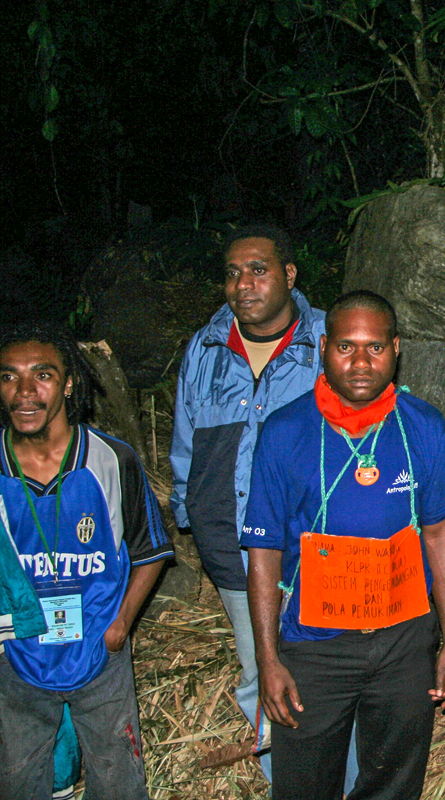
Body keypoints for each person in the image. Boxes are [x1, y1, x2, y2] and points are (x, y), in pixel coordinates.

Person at [243, 290, 445, 800]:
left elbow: (439, 534)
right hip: (314, 647)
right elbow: (263, 553)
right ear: (323, 348)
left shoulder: (424, 427)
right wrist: (268, 660)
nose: (361, 362)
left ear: (396, 349)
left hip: (404, 640)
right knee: (304, 784)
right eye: (346, 347)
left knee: (393, 781)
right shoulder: (284, 433)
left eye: (375, 348)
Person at [170, 223, 328, 777]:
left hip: (317, 548)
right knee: (261, 672)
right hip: (234, 546)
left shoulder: (328, 342)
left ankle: (340, 779)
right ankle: (285, 782)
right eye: (233, 273)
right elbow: (188, 443)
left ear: (288, 275)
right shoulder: (208, 347)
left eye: (258, 270)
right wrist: (194, 516)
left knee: (325, 673)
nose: (244, 284)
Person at [0, 322, 174, 798]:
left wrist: (120, 626)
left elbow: (150, 552)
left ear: (69, 383)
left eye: (43, 375)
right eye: (10, 376)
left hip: (99, 647)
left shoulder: (111, 460)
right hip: (16, 654)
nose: (25, 391)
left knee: (118, 774)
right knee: (15, 775)